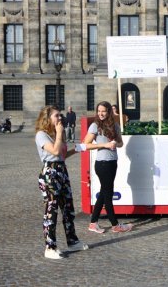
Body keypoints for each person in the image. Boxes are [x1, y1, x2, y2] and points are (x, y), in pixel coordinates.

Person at [35, 105, 88, 259]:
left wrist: (78, 149)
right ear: (47, 118)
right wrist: (59, 133)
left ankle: (72, 240)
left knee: (68, 208)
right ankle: (50, 247)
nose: (60, 118)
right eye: (56, 116)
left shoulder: (56, 133)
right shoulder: (41, 135)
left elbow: (62, 155)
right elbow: (55, 151)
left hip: (61, 171)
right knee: (51, 210)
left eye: (60, 115)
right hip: (49, 173)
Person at [83, 101, 132, 234]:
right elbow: (85, 145)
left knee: (104, 193)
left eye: (103, 111)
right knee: (108, 194)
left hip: (112, 162)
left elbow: (121, 143)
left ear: (109, 111)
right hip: (102, 163)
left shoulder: (115, 125)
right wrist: (104, 145)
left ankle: (93, 223)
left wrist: (116, 143)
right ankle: (115, 225)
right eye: (99, 111)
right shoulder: (95, 126)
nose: (101, 113)